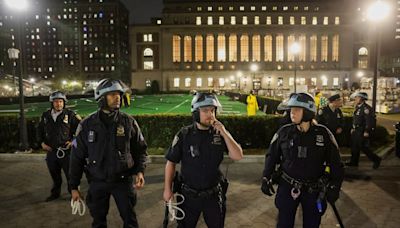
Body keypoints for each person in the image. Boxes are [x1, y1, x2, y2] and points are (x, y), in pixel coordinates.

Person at [70, 78, 148, 228]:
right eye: (112, 94)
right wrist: (74, 187)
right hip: (97, 181)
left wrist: (140, 171)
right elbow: (76, 157)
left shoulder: (128, 122)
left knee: (130, 220)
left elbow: (141, 149)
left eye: (118, 94)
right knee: (98, 222)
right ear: (101, 98)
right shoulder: (86, 125)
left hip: (123, 181)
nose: (117, 97)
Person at [261, 93, 344, 228]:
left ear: (308, 112)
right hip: (288, 187)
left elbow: (335, 163)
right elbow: (271, 156)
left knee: (312, 224)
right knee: (284, 224)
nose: (292, 113)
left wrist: (335, 186)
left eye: (297, 110)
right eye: (291, 110)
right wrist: (266, 176)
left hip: (314, 189)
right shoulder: (284, 132)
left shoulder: (323, 134)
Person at [163, 92, 243, 228]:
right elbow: (171, 162)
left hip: (213, 195)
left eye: (212, 110)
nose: (210, 114)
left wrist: (224, 132)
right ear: (195, 113)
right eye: (205, 110)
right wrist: (167, 189)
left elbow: (238, 156)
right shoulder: (184, 134)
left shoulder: (219, 134)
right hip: (188, 196)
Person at [37, 91, 81, 202]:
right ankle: (55, 194)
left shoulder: (70, 115)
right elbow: (39, 131)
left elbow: (81, 130)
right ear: (52, 103)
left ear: (64, 103)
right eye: (56, 101)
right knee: (55, 176)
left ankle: (74, 194)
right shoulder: (45, 115)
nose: (58, 104)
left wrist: (73, 142)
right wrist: (41, 143)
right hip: (51, 152)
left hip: (66, 152)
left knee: (70, 175)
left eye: (61, 101)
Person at [346, 91, 381, 169]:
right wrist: (353, 128)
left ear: (362, 99)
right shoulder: (358, 107)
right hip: (356, 130)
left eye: (357, 97)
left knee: (363, 147)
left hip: (361, 131)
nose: (355, 99)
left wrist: (366, 131)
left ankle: (376, 159)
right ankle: (353, 162)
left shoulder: (366, 108)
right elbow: (356, 119)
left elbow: (369, 121)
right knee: (354, 147)